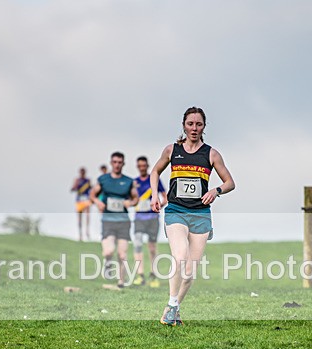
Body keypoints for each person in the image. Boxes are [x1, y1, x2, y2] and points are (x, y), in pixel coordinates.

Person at [149, 107, 236, 326]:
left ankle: (174, 308)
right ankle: (171, 304)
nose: (194, 128)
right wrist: (154, 196)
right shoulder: (172, 150)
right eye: (190, 124)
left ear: (204, 126)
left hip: (200, 215)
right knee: (180, 258)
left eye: (198, 124)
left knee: (189, 273)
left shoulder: (211, 154)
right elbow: (155, 172)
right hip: (176, 211)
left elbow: (230, 183)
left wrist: (215, 191)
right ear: (184, 125)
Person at [89, 152, 138, 288]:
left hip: (123, 221)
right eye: (114, 162)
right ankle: (107, 262)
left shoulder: (128, 181)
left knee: (122, 254)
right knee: (108, 251)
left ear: (123, 164)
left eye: (119, 162)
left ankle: (121, 281)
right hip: (108, 220)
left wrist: (131, 203)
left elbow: (135, 198)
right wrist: (97, 202)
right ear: (111, 163)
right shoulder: (103, 179)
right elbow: (92, 194)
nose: (117, 165)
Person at [132, 155, 167, 288]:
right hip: (139, 219)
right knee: (138, 244)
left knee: (152, 247)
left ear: (147, 166)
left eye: (144, 165)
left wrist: (159, 206)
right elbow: (131, 199)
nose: (142, 168)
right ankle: (140, 275)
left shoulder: (154, 180)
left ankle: (153, 275)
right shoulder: (134, 182)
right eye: (139, 166)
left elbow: (165, 197)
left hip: (152, 218)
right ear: (137, 167)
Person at [71, 167, 92, 241]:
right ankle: (80, 234)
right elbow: (72, 189)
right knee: (79, 218)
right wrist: (75, 186)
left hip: (86, 199)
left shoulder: (88, 180)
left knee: (87, 216)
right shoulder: (77, 180)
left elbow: (91, 188)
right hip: (79, 200)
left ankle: (87, 232)